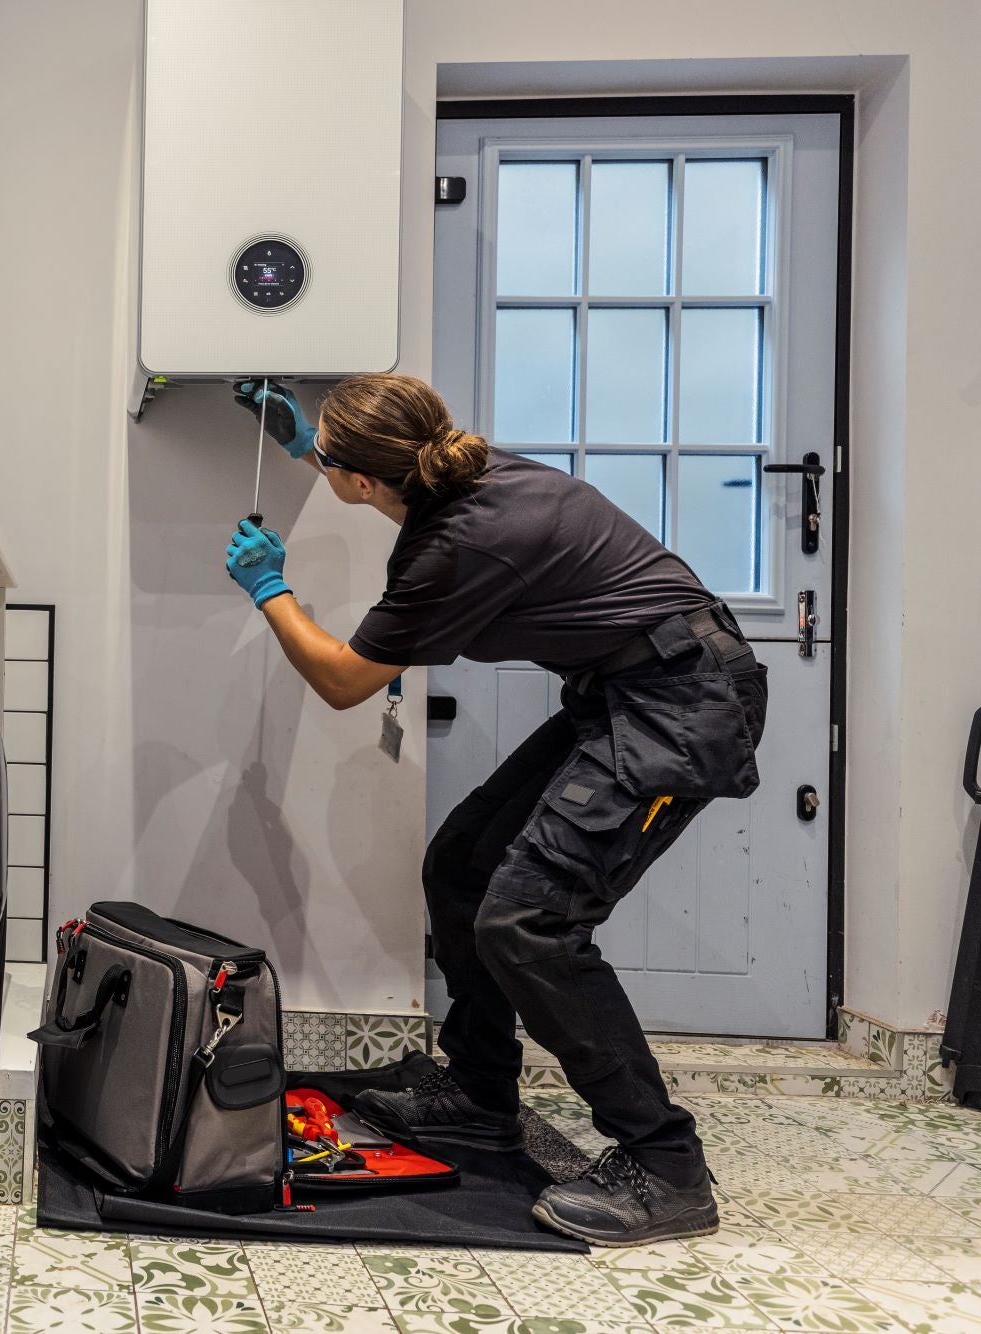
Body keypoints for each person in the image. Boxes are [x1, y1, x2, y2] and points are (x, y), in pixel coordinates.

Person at [224, 372, 766, 1247]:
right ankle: (479, 1095)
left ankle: (666, 1166)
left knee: (528, 923)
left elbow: (341, 681)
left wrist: (270, 590)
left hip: (684, 701)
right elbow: (386, 479)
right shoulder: (465, 472)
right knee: (463, 866)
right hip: (629, 690)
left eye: (333, 457)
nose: (325, 462)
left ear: (367, 482)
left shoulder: (455, 547)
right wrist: (306, 450)